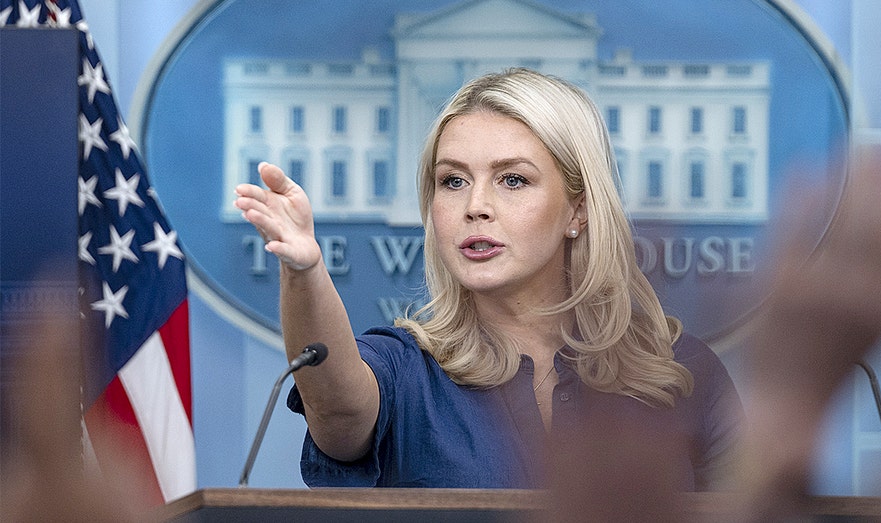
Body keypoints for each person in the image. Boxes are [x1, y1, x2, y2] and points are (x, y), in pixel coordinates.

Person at [234, 67, 743, 490]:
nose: (475, 206)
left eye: (512, 179)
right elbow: (338, 411)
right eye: (453, 181)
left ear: (579, 210)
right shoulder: (407, 370)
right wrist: (304, 269)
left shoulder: (681, 371)